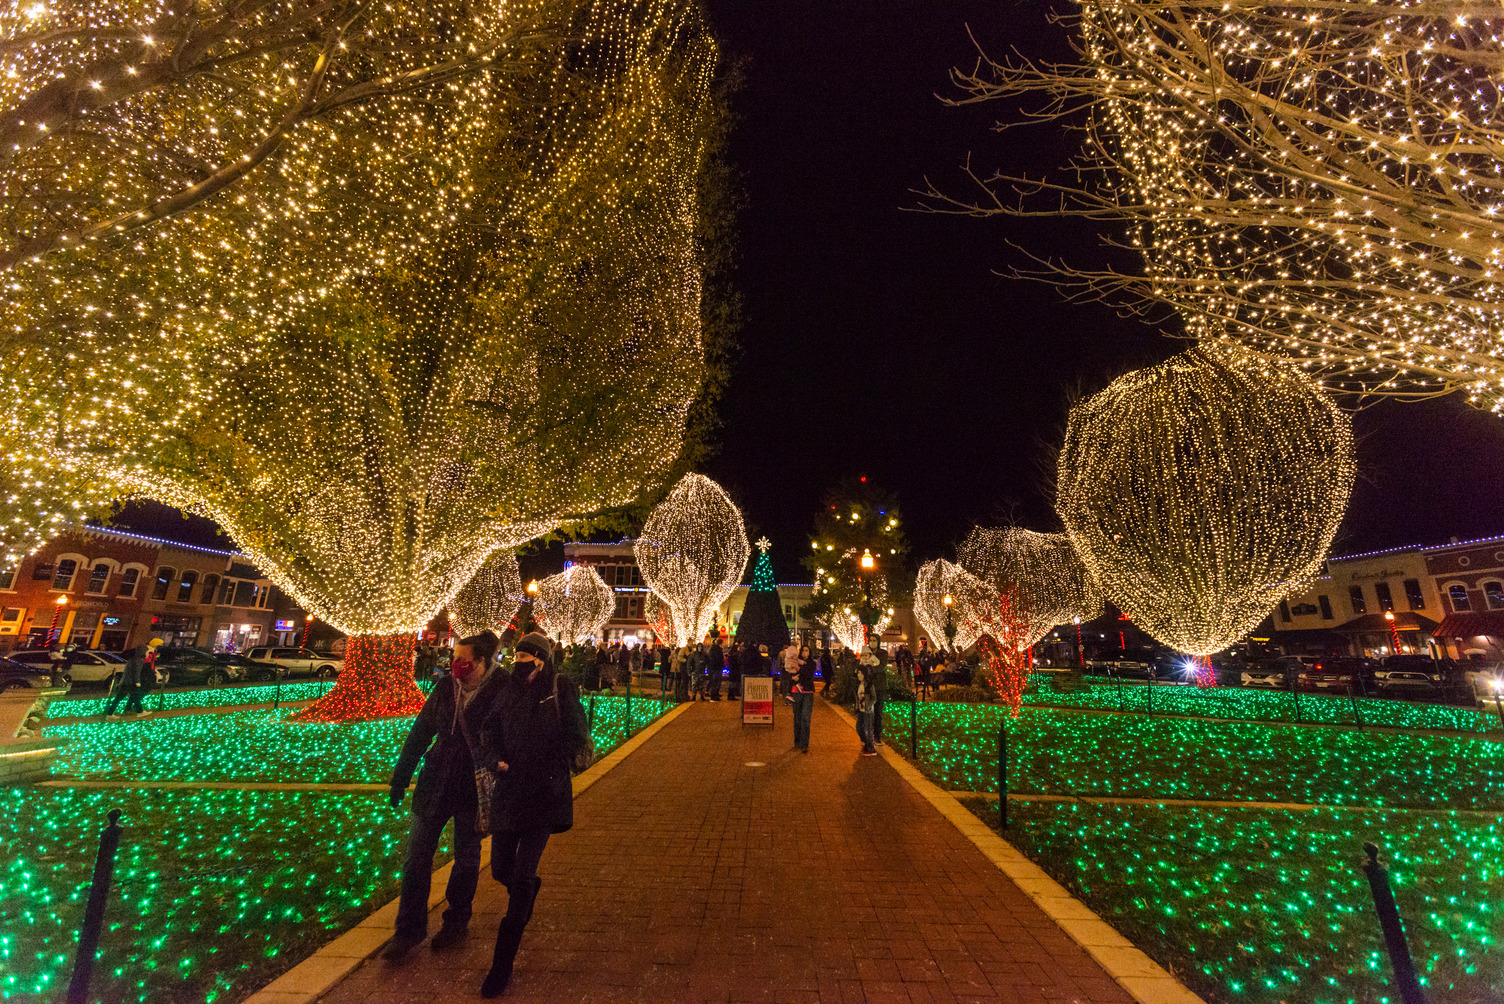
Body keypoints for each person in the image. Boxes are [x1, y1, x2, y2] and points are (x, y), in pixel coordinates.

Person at [478, 632, 590, 997]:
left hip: (544, 793)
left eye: (528, 655)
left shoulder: (559, 687)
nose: (521, 660)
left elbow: (577, 732)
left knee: (523, 873)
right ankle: (526, 890)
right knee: (499, 869)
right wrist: (495, 758)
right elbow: (490, 727)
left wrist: (556, 767)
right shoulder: (507, 689)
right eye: (518, 655)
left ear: (542, 659)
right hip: (511, 790)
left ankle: (501, 964)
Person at [384, 631, 507, 959]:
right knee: (416, 858)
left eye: (462, 660)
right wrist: (401, 776)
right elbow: (421, 731)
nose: (456, 665)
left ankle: (456, 921)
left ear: (480, 661)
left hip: (472, 786)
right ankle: (408, 930)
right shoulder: (445, 688)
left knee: (466, 857)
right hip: (435, 781)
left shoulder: (502, 689)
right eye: (454, 659)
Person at [103, 644, 150, 718]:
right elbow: (136, 672)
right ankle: (140, 712)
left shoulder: (133, 659)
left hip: (126, 681)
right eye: (147, 652)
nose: (147, 653)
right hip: (131, 682)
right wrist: (137, 682)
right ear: (143, 652)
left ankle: (109, 713)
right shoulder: (139, 660)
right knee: (135, 697)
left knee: (121, 698)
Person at [791, 644, 816, 752]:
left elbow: (808, 674)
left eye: (807, 650)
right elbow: (790, 674)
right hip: (797, 692)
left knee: (805, 718)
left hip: (808, 692)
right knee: (797, 717)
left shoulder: (812, 663)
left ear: (809, 652)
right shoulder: (795, 662)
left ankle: (804, 744)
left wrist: (799, 675)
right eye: (803, 651)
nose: (805, 652)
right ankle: (797, 741)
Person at [855, 648, 878, 756]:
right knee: (859, 728)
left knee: (867, 729)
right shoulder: (859, 685)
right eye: (858, 674)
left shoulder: (869, 685)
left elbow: (874, 698)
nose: (859, 676)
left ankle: (871, 748)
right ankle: (866, 743)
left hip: (868, 710)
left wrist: (868, 705)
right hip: (861, 710)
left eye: (861, 674)